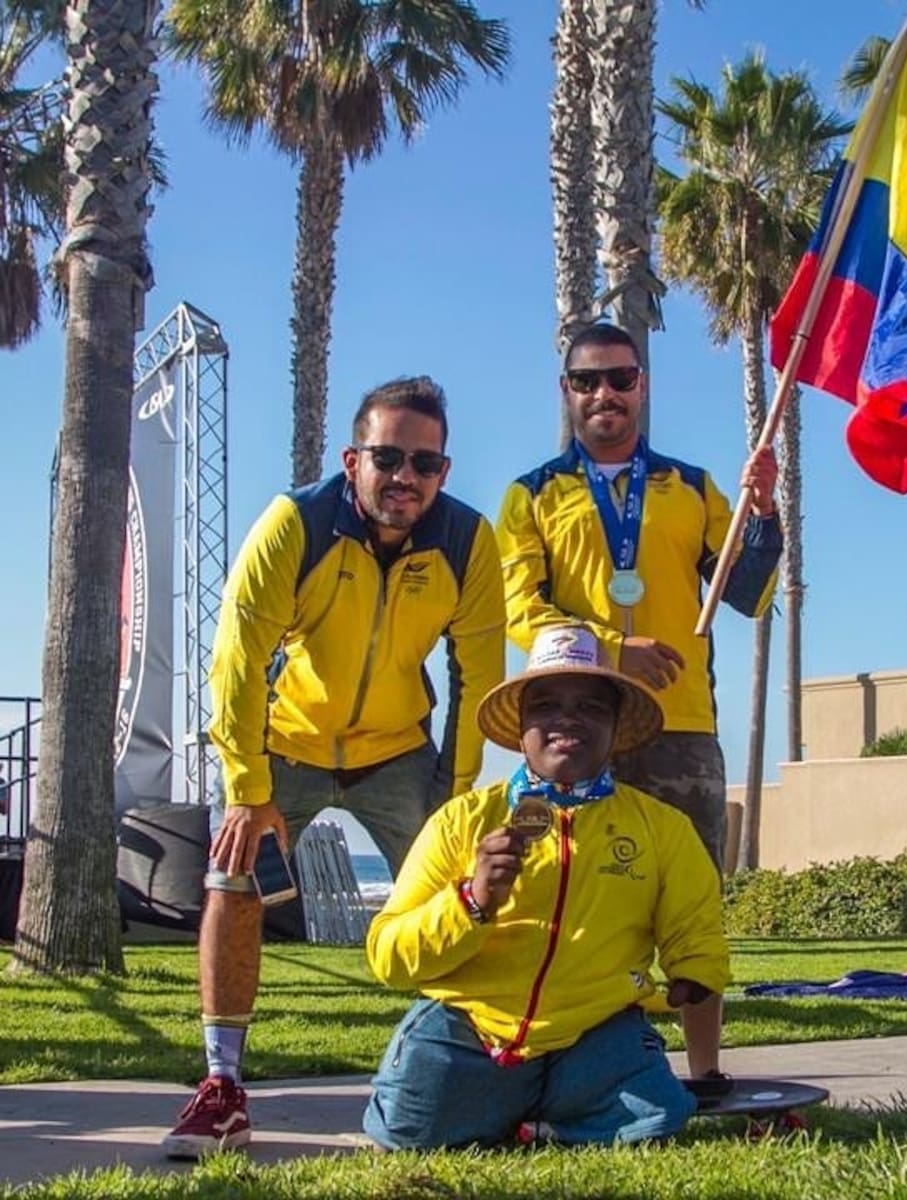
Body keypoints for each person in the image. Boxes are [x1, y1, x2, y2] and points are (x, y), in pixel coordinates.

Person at [162, 376, 506, 1158]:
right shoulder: (296, 523)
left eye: (424, 463)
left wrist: (454, 798)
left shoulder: (466, 542)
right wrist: (249, 791)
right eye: (388, 457)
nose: (405, 477)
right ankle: (221, 1086)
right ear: (353, 459)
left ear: (443, 473)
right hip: (288, 743)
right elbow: (238, 660)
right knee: (233, 875)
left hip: (399, 752)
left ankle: (486, 1075)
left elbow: (478, 677)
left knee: (465, 894)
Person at [495, 323, 781, 1086]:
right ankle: (556, 1058)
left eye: (619, 379)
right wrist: (612, 654)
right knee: (562, 893)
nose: (604, 395)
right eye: (586, 381)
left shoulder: (692, 487)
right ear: (567, 392)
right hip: (572, 723)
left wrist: (765, 516)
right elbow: (519, 609)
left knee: (693, 900)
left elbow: (747, 592)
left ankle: (708, 1071)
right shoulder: (532, 495)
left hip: (682, 727)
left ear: (642, 386)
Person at [362, 624, 729, 1150]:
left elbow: (696, 933)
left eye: (592, 708)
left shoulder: (661, 828)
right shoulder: (460, 820)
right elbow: (388, 956)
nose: (568, 720)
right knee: (408, 1132)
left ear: (616, 725)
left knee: (659, 1119)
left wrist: (695, 973)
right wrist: (470, 901)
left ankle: (534, 1116)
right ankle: (530, 1113)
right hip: (474, 1030)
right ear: (520, 726)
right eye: (546, 705)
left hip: (596, 1031)